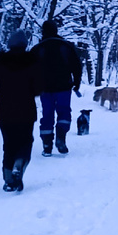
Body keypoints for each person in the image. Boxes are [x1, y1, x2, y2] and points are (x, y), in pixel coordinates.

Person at [0, 29, 42, 192]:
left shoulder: (0, 62)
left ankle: (8, 180)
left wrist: (4, 94)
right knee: (25, 141)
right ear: (25, 44)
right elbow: (38, 88)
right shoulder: (32, 62)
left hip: (5, 110)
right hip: (26, 109)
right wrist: (27, 93)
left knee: (9, 144)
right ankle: (19, 165)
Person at [31, 18, 83, 156]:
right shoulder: (66, 46)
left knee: (47, 114)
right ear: (56, 30)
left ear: (43, 31)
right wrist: (76, 83)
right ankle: (61, 138)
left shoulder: (37, 49)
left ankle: (47, 145)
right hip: (64, 87)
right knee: (64, 112)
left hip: (44, 89)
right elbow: (77, 66)